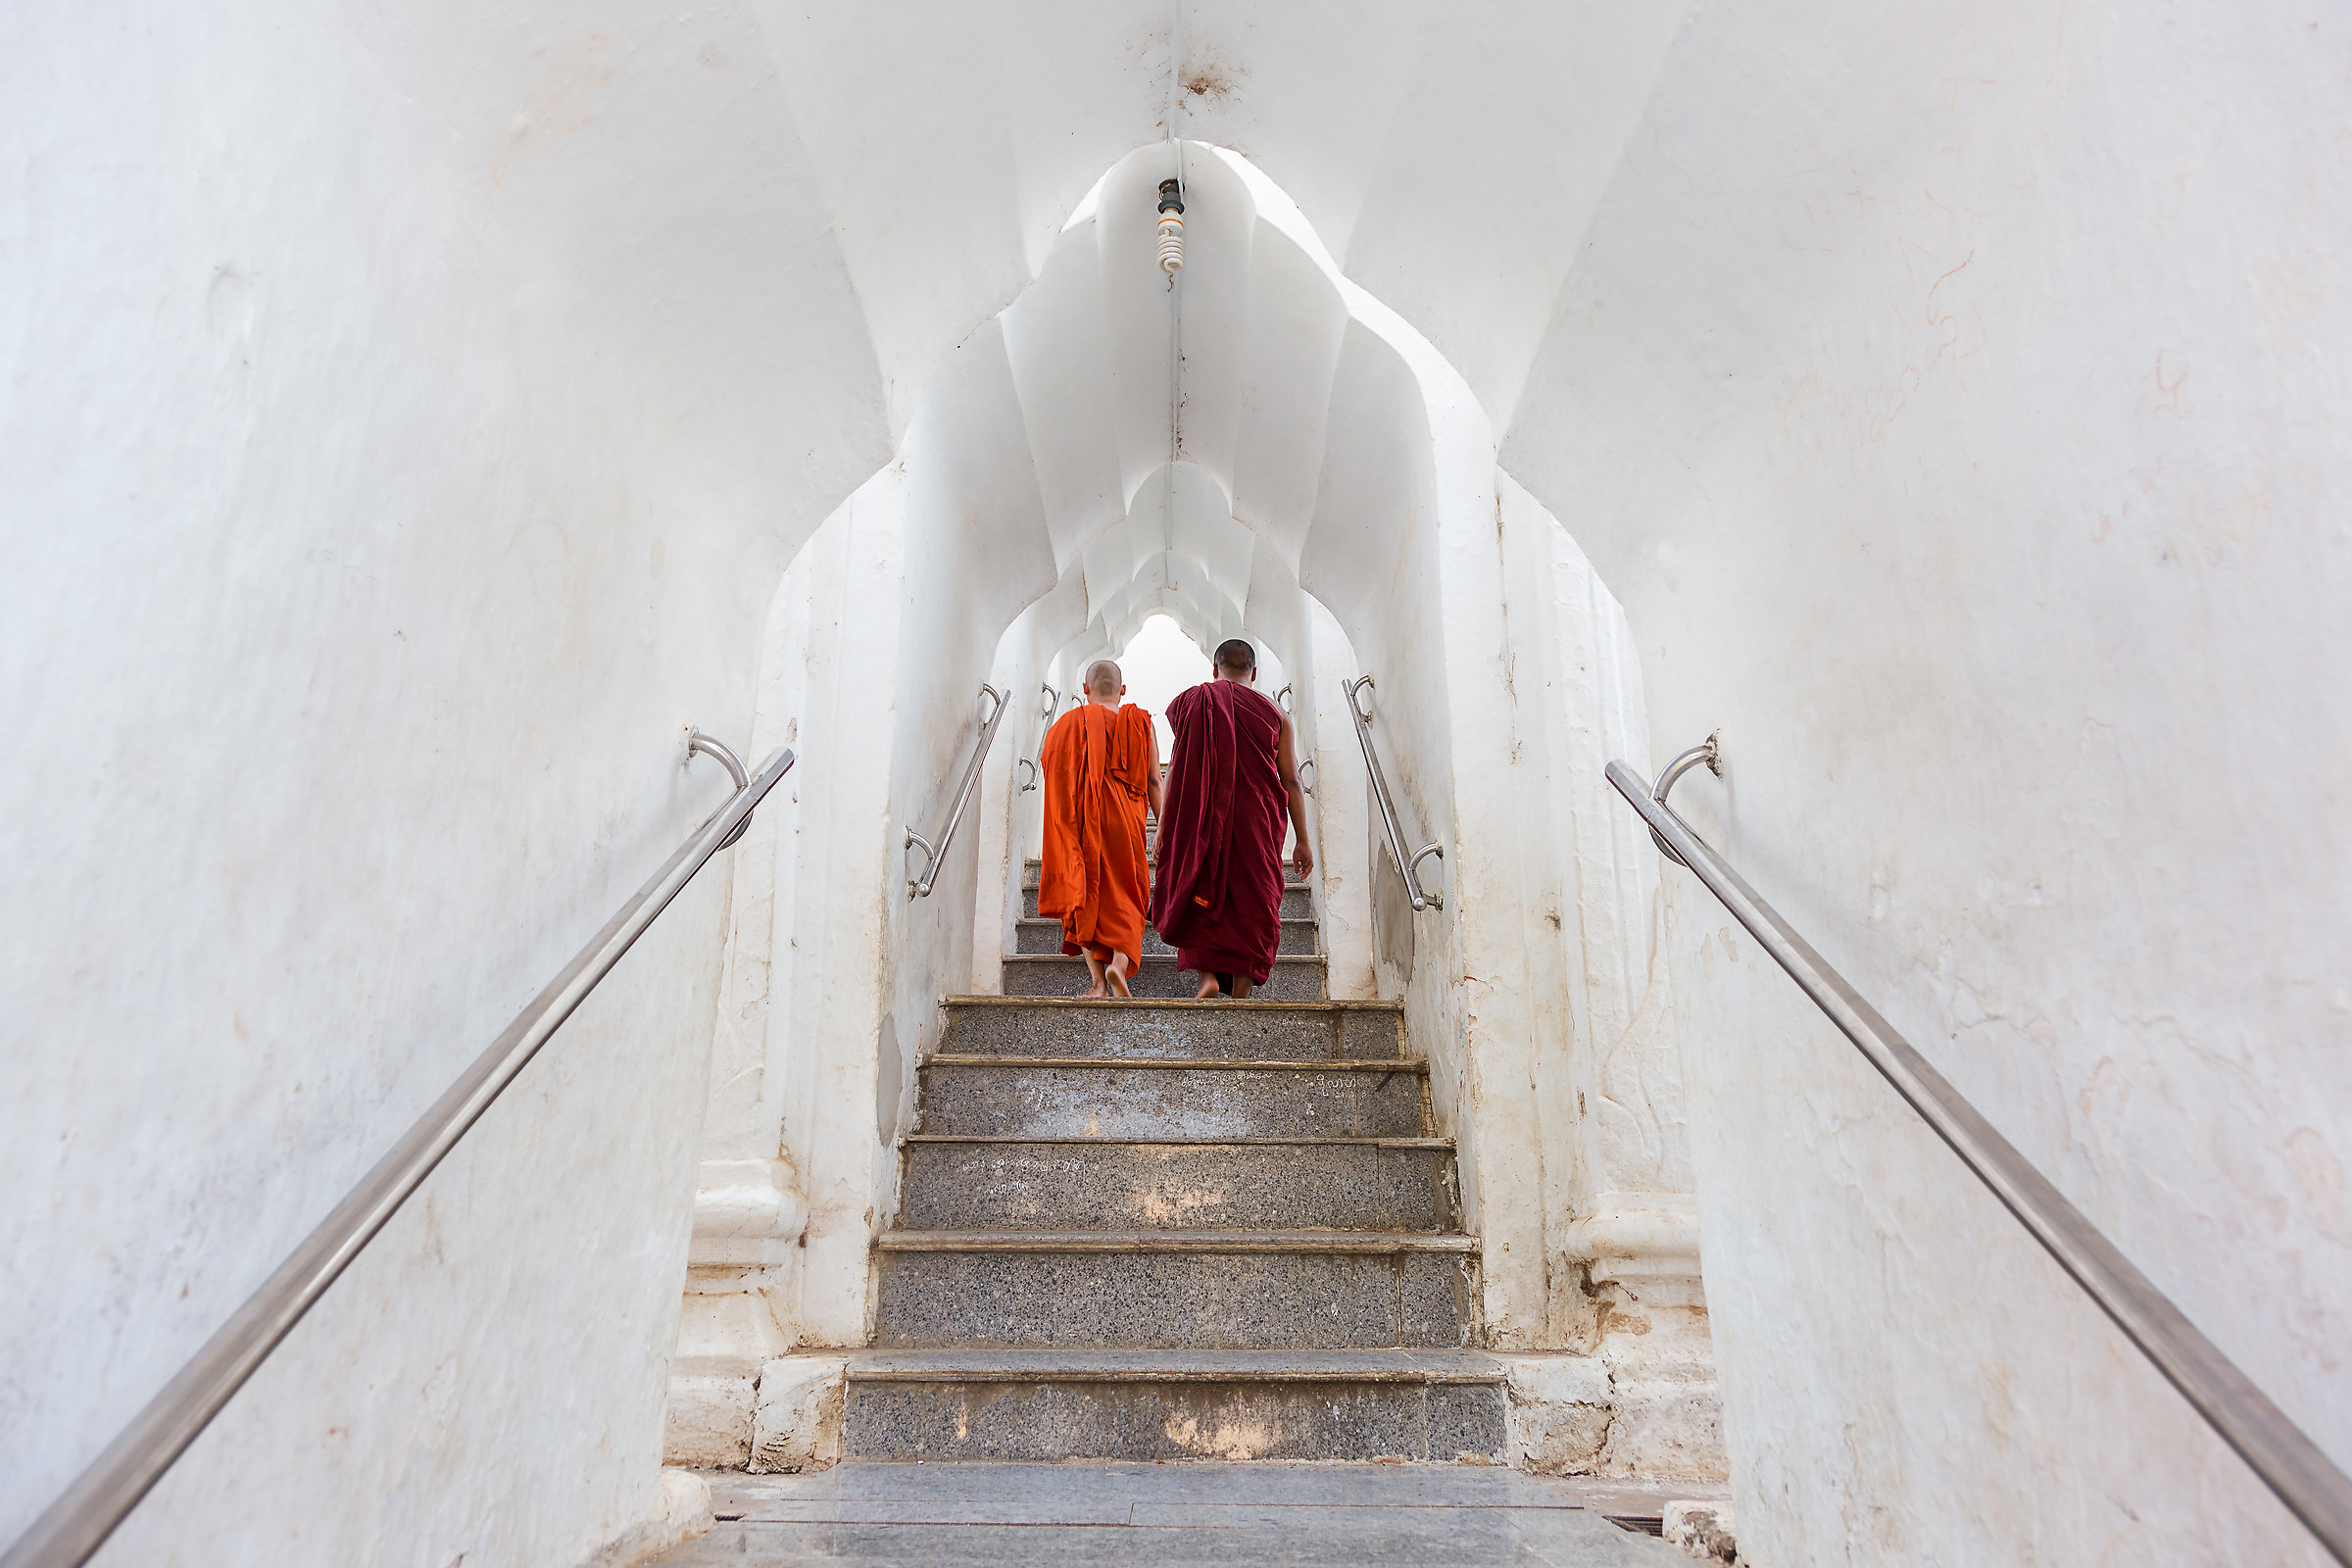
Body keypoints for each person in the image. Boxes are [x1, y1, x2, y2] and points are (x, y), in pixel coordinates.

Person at [1148, 638, 1313, 1000]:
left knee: (1201, 882)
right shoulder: (1276, 715)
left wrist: (1164, 825)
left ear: (1214, 669)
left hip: (1201, 823)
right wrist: (1302, 839)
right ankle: (1240, 986)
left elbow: (1176, 767)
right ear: (1254, 673)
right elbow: (1293, 781)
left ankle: (1207, 976)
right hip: (1256, 823)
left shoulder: (1195, 703)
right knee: (1253, 896)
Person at [1037, 659, 1160, 999]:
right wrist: (1162, 827)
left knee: (1084, 893)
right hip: (1127, 823)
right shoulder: (1140, 723)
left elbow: (1056, 777)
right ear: (1122, 690)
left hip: (1082, 825)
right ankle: (1119, 963)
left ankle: (1097, 984)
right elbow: (1154, 780)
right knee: (1130, 892)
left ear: (1085, 689)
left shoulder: (1065, 725)